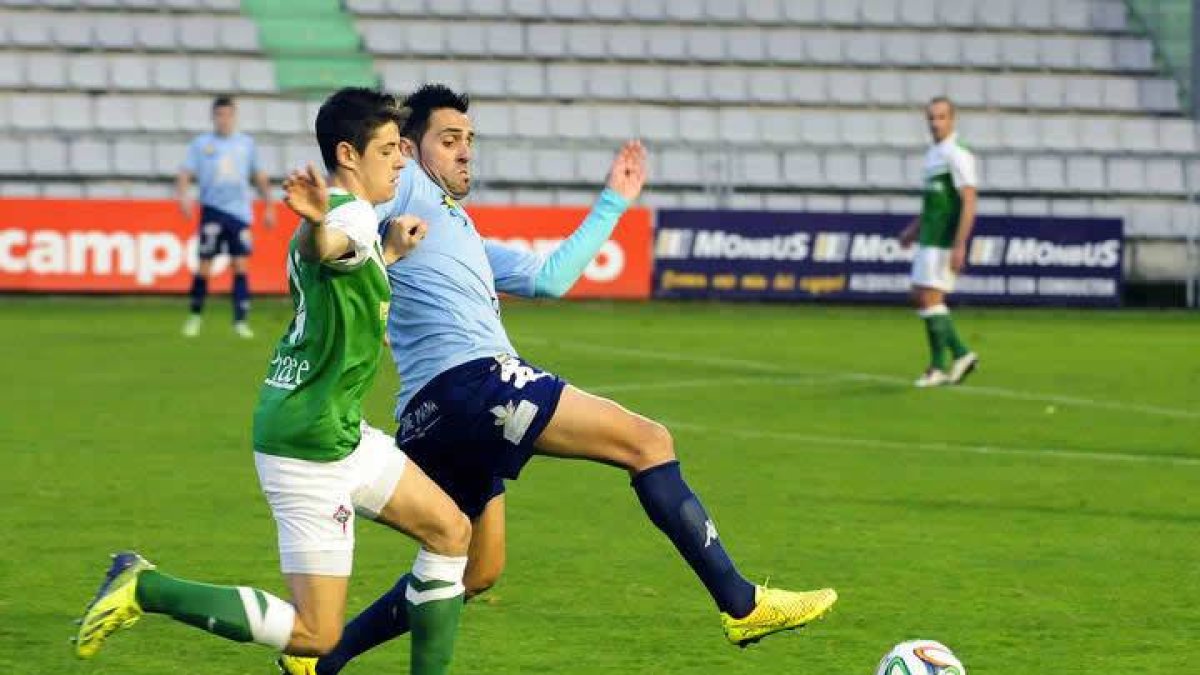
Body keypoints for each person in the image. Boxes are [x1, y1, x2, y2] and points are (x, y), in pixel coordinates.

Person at [296, 84, 837, 675]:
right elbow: (348, 226)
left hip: (429, 415)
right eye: (448, 141)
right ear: (405, 149)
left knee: (476, 571)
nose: (464, 152)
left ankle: (321, 657)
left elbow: (552, 278)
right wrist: (330, 229)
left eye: (469, 140)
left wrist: (613, 202)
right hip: (475, 385)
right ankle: (742, 604)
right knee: (648, 442)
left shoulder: (458, 230)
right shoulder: (402, 189)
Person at [75, 88, 471, 675]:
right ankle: (146, 585)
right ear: (348, 153)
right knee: (316, 632)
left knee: (449, 530)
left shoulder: (362, 224)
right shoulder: (348, 216)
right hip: (308, 445)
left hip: (335, 429)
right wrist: (318, 226)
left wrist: (387, 254)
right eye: (389, 148)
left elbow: (344, 271)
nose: (402, 160)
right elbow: (331, 246)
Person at [177, 95, 275, 339]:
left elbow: (259, 175)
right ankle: (195, 316)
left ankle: (240, 321)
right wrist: (184, 197)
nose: (224, 119)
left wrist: (269, 205)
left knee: (240, 266)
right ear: (213, 117)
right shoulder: (201, 145)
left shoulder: (246, 144)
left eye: (228, 114)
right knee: (204, 266)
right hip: (211, 210)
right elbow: (186, 173)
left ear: (234, 116)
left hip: (239, 213)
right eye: (219, 115)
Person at [898, 96, 980, 388]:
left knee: (929, 297)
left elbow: (969, 200)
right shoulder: (934, 154)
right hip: (930, 236)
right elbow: (934, 202)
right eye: (931, 118)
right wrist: (913, 230)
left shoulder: (957, 154)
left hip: (944, 239)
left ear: (952, 119)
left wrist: (960, 244)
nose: (935, 123)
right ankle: (958, 355)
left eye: (941, 117)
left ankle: (941, 364)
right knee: (921, 296)